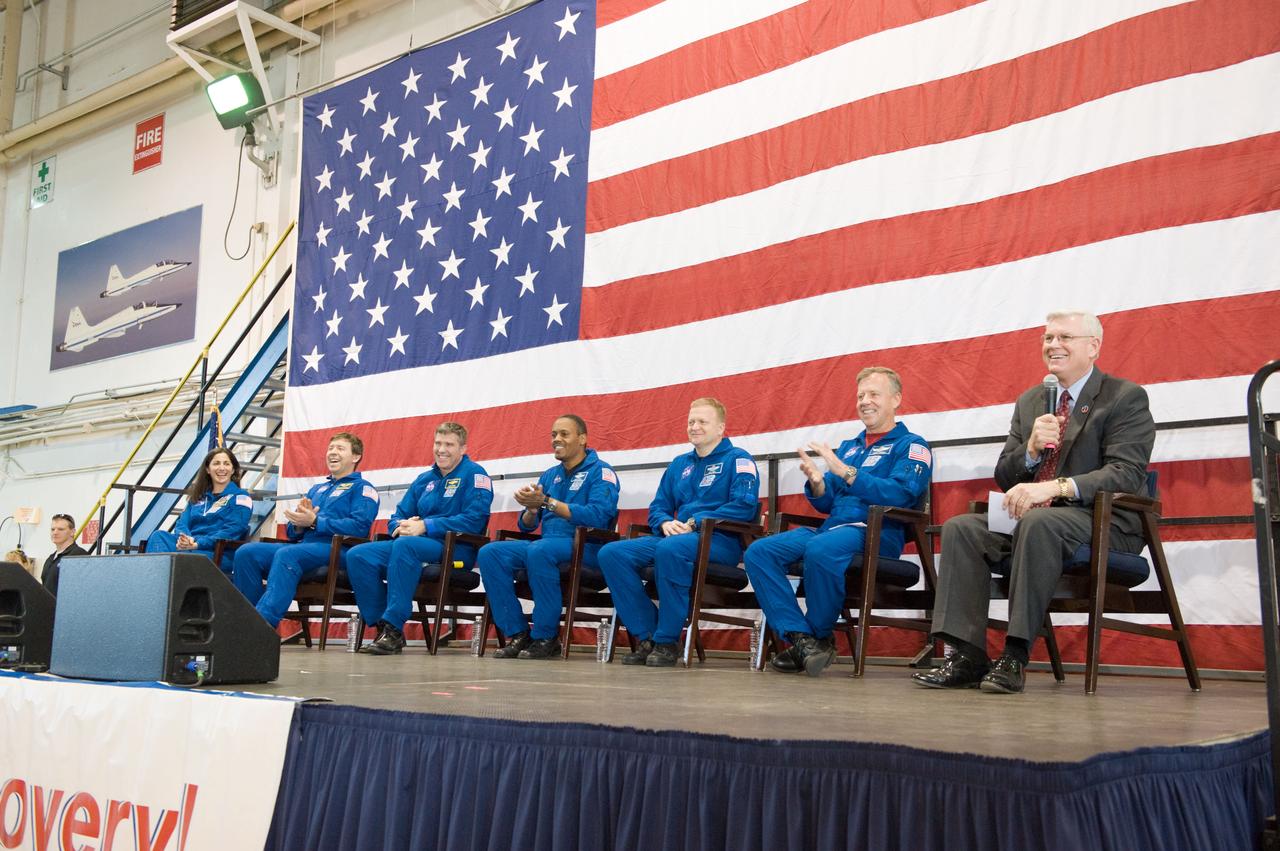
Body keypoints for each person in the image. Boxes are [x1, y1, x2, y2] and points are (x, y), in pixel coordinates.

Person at [913, 310, 1154, 694]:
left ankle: (1015, 654)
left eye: (1064, 338)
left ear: (1093, 347)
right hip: (1037, 521)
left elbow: (1126, 472)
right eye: (1047, 338)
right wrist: (1029, 451)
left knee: (1039, 523)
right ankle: (967, 655)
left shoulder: (1123, 397)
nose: (1053, 345)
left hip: (1099, 521)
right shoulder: (1032, 402)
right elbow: (1006, 476)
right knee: (962, 528)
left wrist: (1054, 487)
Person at [743, 368, 932, 676]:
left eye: (874, 394)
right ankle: (802, 638)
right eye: (860, 396)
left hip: (876, 533)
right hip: (832, 531)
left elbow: (901, 493)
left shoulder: (912, 446)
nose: (865, 401)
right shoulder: (851, 447)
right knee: (759, 552)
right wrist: (818, 483)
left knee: (821, 547)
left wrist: (845, 472)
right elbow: (829, 500)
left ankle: (818, 634)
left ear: (896, 399)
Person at [597, 398, 761, 668]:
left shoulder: (739, 459)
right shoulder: (679, 464)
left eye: (702, 422)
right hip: (676, 538)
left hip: (719, 542)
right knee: (612, 553)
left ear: (721, 427)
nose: (694, 427)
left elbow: (744, 506)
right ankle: (648, 634)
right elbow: (658, 507)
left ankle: (667, 640)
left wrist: (696, 521)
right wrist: (663, 523)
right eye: (691, 422)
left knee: (669, 549)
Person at [476, 414, 619, 659]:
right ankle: (518, 632)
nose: (556, 439)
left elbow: (597, 516)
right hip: (548, 544)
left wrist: (548, 503)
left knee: (539, 551)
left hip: (586, 546)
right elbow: (527, 525)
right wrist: (532, 509)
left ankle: (546, 636)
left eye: (564, 434)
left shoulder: (601, 472)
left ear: (582, 438)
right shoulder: (550, 475)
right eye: (554, 434)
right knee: (490, 553)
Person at [346, 422, 493, 655]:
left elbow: (474, 520)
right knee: (358, 555)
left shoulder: (476, 474)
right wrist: (400, 526)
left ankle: (394, 624)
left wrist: (426, 525)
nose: (441, 449)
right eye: (438, 443)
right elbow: (398, 515)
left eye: (449, 444)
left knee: (406, 546)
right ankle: (384, 626)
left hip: (457, 549)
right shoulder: (425, 479)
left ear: (463, 448)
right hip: (415, 544)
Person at [231, 432, 379, 627]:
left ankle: (261, 625)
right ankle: (245, 620)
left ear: (355, 457)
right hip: (306, 546)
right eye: (330, 448)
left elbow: (359, 528)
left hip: (339, 550)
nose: (332, 452)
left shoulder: (363, 489)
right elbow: (294, 533)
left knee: (288, 554)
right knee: (246, 552)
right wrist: (299, 526)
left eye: (340, 449)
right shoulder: (317, 489)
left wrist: (317, 522)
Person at [145, 447, 253, 572]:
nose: (222, 468)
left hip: (217, 553)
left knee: (176, 558)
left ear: (233, 469)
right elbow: (182, 523)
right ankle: (156, 584)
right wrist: (185, 539)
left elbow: (232, 530)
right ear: (208, 469)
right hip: (189, 547)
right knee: (158, 536)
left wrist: (198, 544)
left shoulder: (241, 497)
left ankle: (159, 584)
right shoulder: (198, 497)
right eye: (216, 463)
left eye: (226, 464)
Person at [41, 513, 87, 596]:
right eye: (52, 529)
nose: (55, 532)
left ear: (72, 532)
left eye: (60, 529)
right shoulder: (51, 558)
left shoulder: (78, 555)